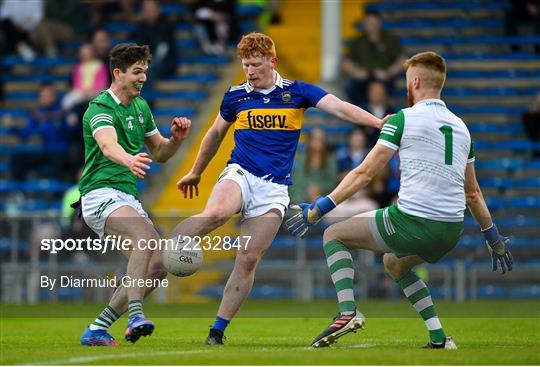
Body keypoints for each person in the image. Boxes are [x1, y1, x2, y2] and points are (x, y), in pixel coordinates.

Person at [171, 32, 388, 345]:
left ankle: (217, 332)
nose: (250, 70)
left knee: (247, 258)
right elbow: (214, 135)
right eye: (245, 64)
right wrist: (195, 171)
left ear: (272, 61)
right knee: (217, 211)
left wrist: (378, 124)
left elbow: (339, 107)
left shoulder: (297, 92)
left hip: (273, 190)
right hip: (241, 172)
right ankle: (167, 250)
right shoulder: (235, 96)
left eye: (256, 64)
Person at [287, 51, 513, 349]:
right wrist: (493, 238)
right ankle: (438, 337)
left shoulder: (404, 119)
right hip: (449, 231)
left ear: (415, 81)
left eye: (407, 82)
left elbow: (365, 173)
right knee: (395, 264)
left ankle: (347, 312)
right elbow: (473, 193)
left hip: (410, 222)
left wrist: (320, 208)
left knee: (334, 234)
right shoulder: (462, 128)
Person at [78, 43, 191, 346]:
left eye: (145, 72)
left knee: (159, 264)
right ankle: (136, 316)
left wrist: (177, 140)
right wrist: (127, 159)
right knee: (147, 238)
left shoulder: (141, 107)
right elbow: (107, 144)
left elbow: (161, 153)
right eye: (137, 72)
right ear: (118, 73)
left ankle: (98, 328)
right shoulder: (100, 107)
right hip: (99, 193)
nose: (143, 78)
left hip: (126, 197)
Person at [343, 10, 405, 106]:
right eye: (368, 23)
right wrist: (356, 72)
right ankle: (359, 108)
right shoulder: (358, 41)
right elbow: (347, 62)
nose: (371, 26)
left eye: (373, 23)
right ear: (364, 24)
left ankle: (381, 110)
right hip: (363, 78)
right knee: (350, 85)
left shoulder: (389, 39)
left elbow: (401, 60)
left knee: (379, 86)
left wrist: (388, 72)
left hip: (383, 77)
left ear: (379, 23)